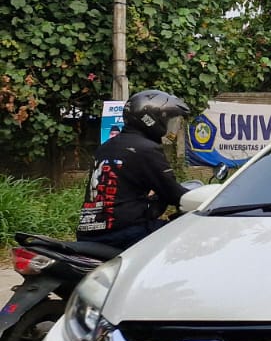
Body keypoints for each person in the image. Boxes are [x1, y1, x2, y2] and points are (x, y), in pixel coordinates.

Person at [78, 89, 191, 248]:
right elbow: (174, 194)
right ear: (152, 119)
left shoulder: (106, 147)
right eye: (169, 120)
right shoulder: (146, 149)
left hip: (89, 232)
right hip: (124, 233)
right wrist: (209, 200)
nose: (171, 127)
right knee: (187, 236)